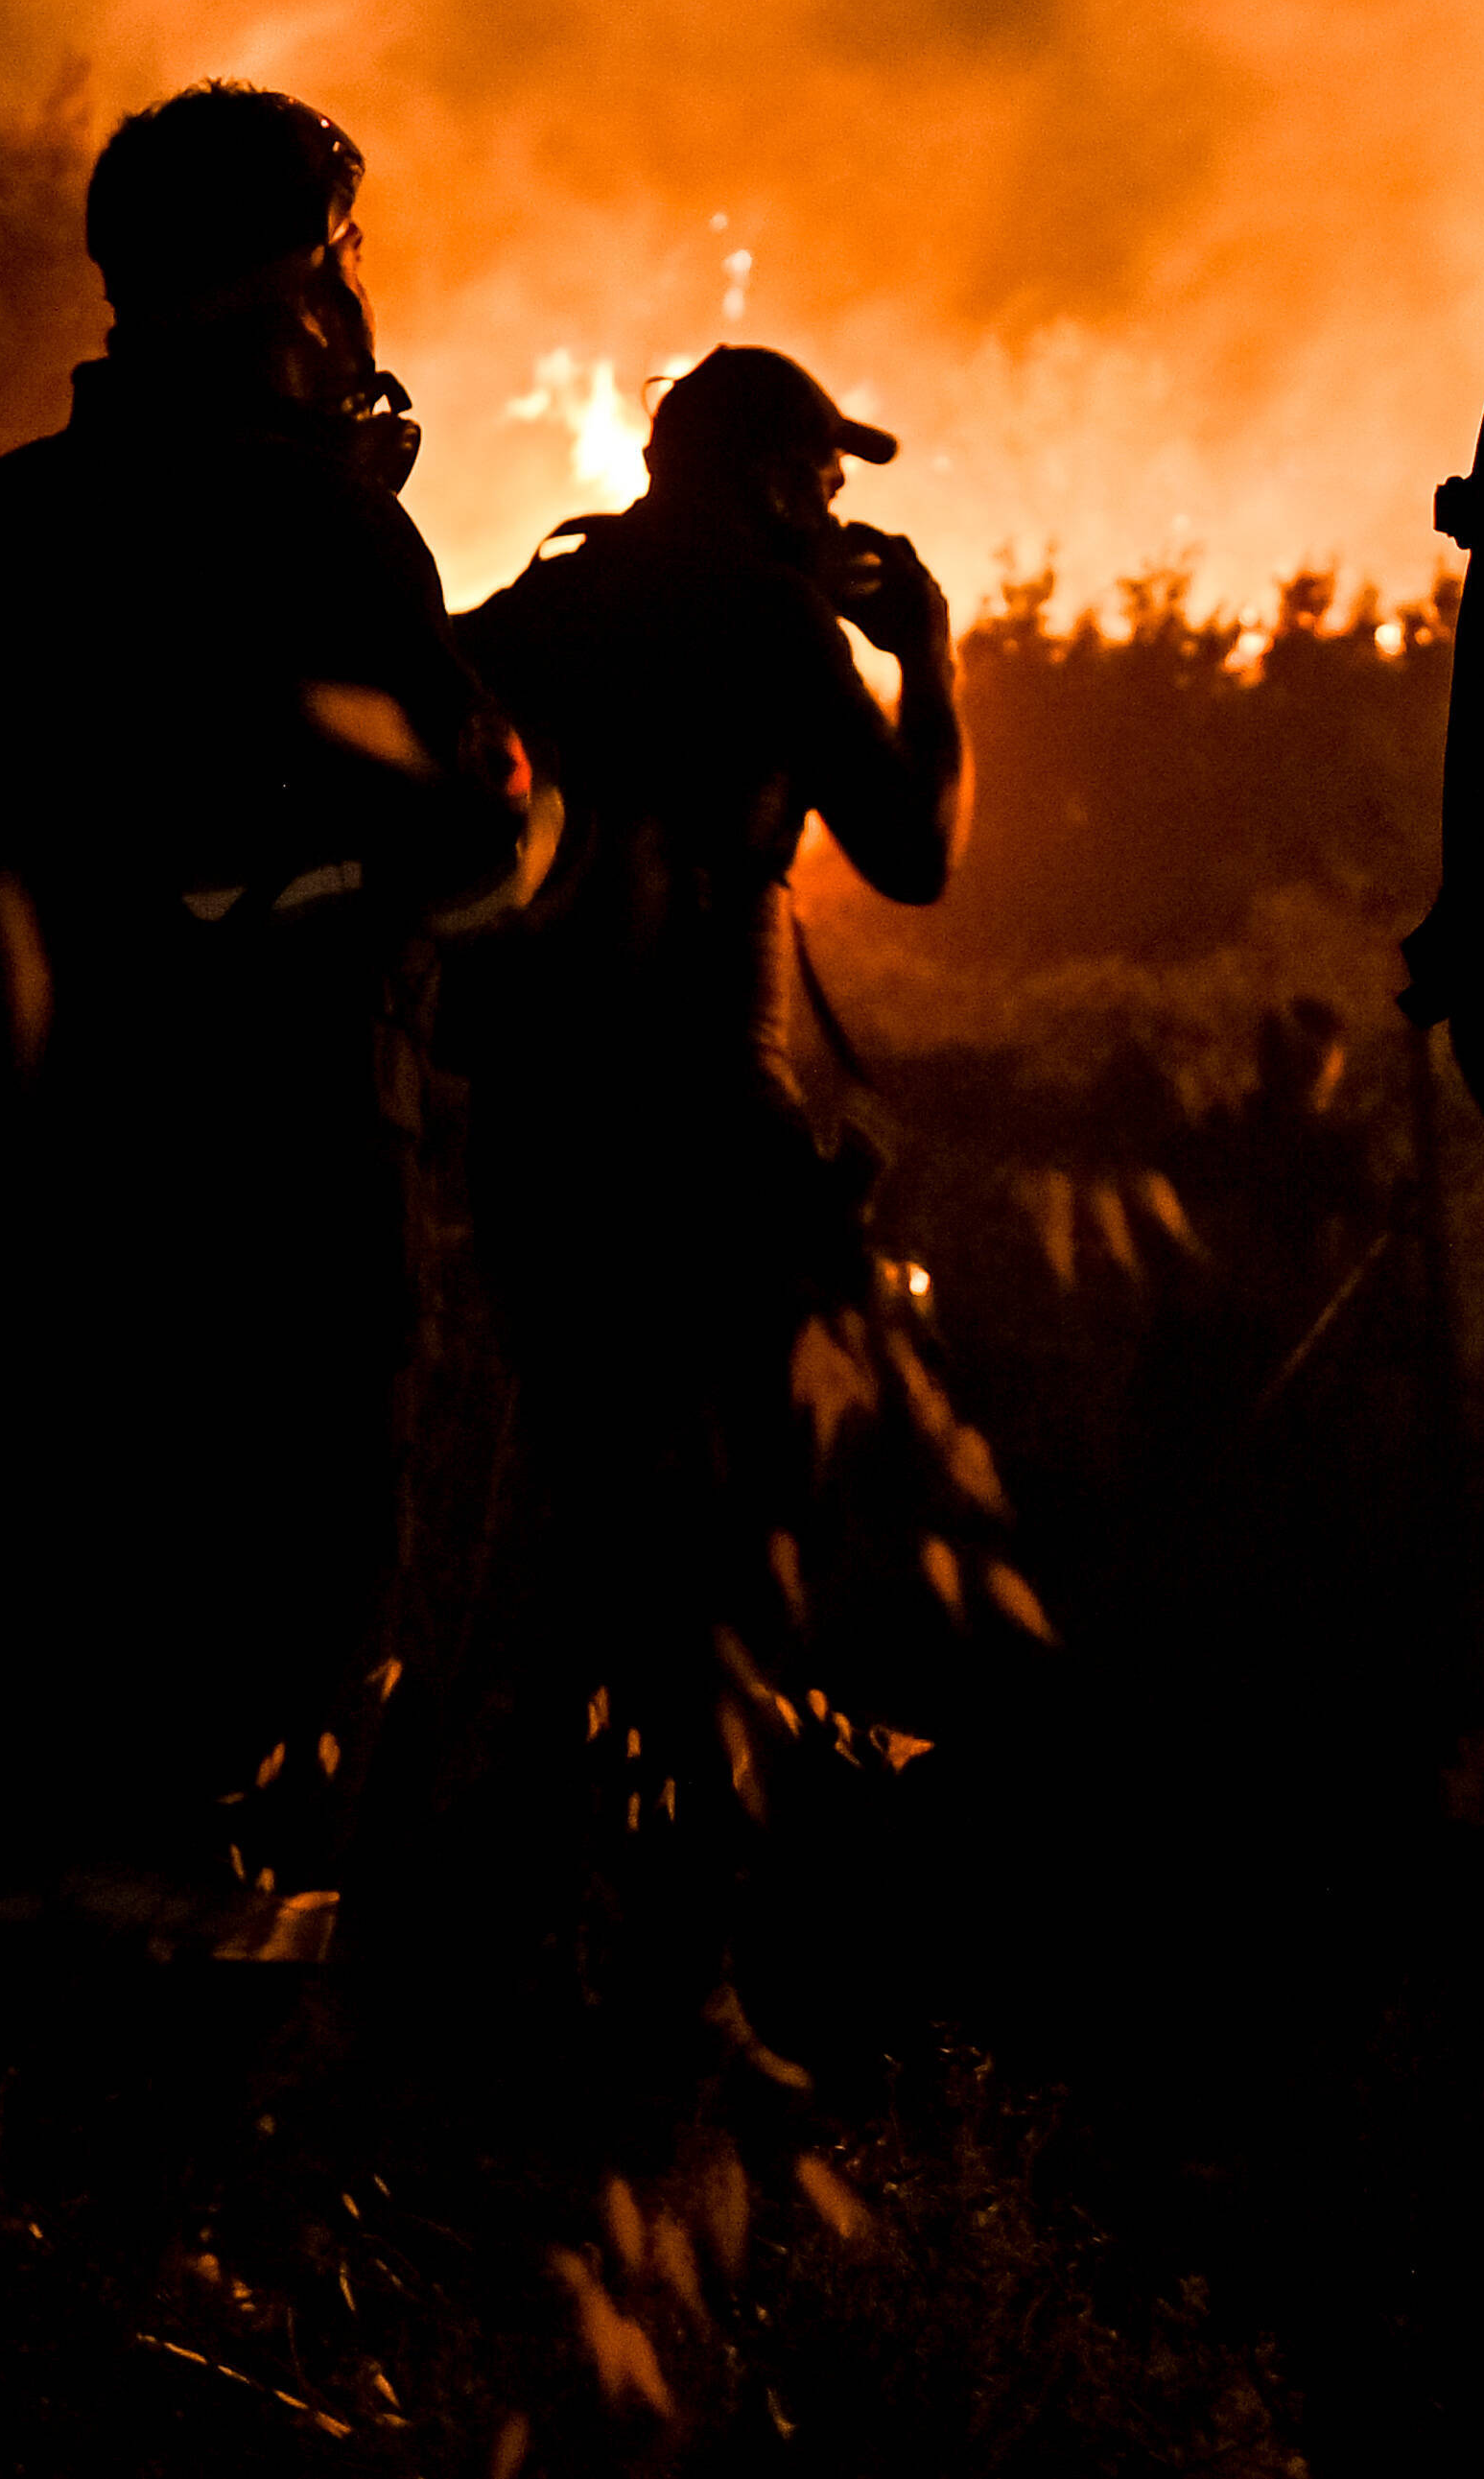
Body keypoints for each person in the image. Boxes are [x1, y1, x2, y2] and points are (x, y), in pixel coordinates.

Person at [0, 81, 526, 1954]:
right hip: (282, 1194)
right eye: (343, 259)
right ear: (301, 286)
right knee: (265, 1662)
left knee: (69, 1626)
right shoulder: (325, 538)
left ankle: (18, 2111)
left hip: (42, 1204)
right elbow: (466, 855)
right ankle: (189, 2134)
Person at [438, 343, 964, 2040]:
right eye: (821, 479)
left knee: (565, 1524)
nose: (837, 510)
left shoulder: (534, 611)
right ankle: (679, 1989)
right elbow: (916, 853)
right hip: (710, 1145)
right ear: (762, 478)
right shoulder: (771, 626)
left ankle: (501, 1948)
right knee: (727, 1562)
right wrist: (926, 658)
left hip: (536, 1135)